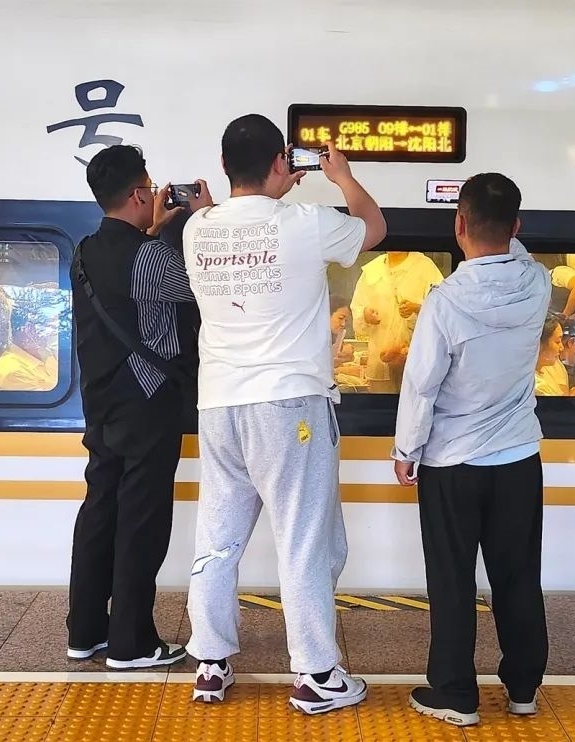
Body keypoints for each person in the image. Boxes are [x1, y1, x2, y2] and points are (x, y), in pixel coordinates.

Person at [181, 114, 386, 712]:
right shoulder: (306, 222)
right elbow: (374, 228)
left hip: (219, 405)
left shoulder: (197, 228)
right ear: (282, 163)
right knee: (303, 541)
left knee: (217, 541)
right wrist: (341, 177)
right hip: (289, 404)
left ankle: (211, 663)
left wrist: (259, 194)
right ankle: (317, 674)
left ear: (224, 166)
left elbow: (231, 231)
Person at [391, 173, 551, 727]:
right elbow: (514, 250)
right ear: (517, 226)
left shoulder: (445, 300)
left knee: (452, 579)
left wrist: (406, 449)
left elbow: (421, 385)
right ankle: (524, 687)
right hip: (517, 456)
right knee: (518, 574)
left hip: (452, 463)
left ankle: (456, 693)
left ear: (459, 225)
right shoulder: (537, 283)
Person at [66, 144, 213, 670]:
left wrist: (157, 227)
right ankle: (131, 643)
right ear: (136, 194)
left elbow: (128, 289)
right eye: (149, 188)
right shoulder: (152, 259)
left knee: (100, 509)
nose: (154, 195)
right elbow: (207, 284)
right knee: (142, 520)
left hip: (100, 403)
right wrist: (204, 220)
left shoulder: (83, 252)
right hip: (148, 403)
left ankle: (85, 631)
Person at [350, 251, 444, 393]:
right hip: (381, 360)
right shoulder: (372, 270)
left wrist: (418, 308)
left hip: (416, 359)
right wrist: (365, 315)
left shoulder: (424, 266)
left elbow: (443, 307)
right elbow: (357, 308)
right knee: (382, 405)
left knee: (414, 401)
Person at [0, 304, 58, 391]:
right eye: (49, 326)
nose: (55, 332)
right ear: (29, 329)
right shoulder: (12, 372)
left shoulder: (47, 352)